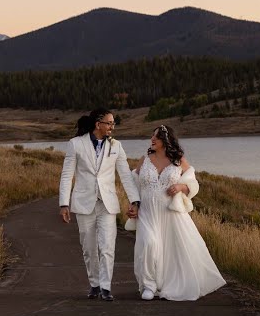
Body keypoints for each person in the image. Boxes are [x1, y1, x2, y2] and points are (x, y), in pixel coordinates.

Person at [131, 124, 225, 301]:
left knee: (171, 249)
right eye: (152, 136)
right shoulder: (145, 159)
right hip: (148, 212)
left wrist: (182, 186)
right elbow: (133, 182)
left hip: (170, 213)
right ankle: (149, 285)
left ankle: (166, 284)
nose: (152, 139)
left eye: (156, 137)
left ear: (166, 140)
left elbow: (193, 183)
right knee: (148, 244)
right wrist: (134, 204)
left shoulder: (178, 160)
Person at [58, 108, 140, 301]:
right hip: (84, 203)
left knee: (107, 246)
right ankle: (94, 283)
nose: (112, 126)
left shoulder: (116, 146)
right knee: (88, 247)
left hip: (107, 204)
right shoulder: (75, 144)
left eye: (113, 123)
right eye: (109, 123)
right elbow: (67, 175)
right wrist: (64, 204)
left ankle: (105, 287)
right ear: (98, 124)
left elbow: (126, 176)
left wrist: (134, 200)